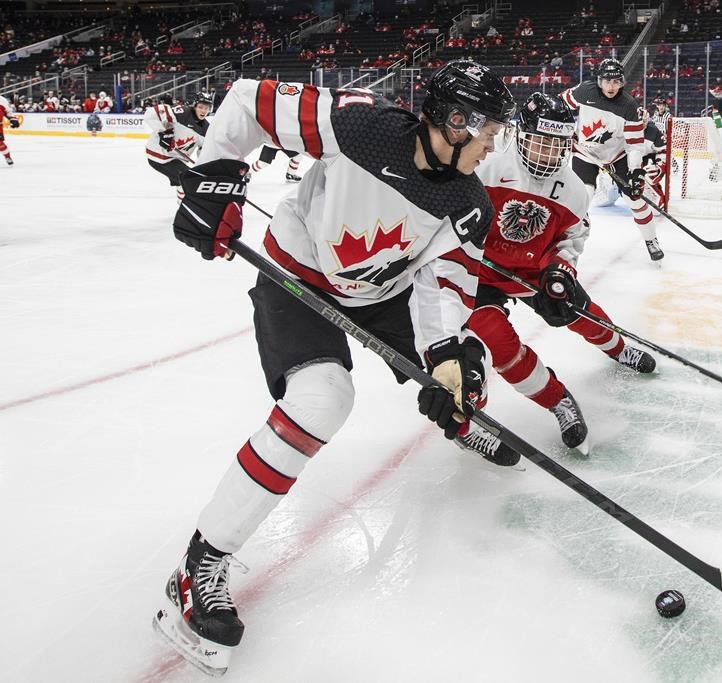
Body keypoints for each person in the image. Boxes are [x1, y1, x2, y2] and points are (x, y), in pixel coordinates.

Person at [154, 61, 516, 676]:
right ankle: (201, 564)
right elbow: (246, 102)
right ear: (455, 123)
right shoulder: (358, 126)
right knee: (323, 400)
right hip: (298, 277)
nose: (492, 146)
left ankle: (455, 419)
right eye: (486, 131)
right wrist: (213, 182)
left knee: (461, 373)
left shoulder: (469, 201)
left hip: (382, 294)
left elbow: (439, 290)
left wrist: (447, 362)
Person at [471, 92, 657, 452]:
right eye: (540, 142)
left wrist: (560, 272)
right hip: (480, 275)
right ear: (520, 135)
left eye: (556, 145)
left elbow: (572, 238)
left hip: (533, 269)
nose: (547, 153)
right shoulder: (486, 167)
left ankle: (619, 347)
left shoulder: (572, 188)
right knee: (501, 344)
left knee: (580, 311)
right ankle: (558, 401)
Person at [560, 58, 663, 261]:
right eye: (607, 81)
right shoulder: (584, 91)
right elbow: (561, 103)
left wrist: (635, 171)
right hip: (585, 153)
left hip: (617, 156)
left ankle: (651, 239)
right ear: (599, 81)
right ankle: (563, 243)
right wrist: (565, 129)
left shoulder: (628, 105)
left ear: (622, 82)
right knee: (582, 197)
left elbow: (634, 144)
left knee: (634, 199)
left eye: (616, 81)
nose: (611, 86)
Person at [143, 92, 213, 199]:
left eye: (207, 108)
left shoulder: (206, 129)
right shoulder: (182, 113)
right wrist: (164, 132)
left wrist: (207, 166)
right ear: (194, 106)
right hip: (159, 155)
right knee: (189, 180)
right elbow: (151, 113)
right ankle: (186, 206)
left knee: (190, 180)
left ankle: (184, 203)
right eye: (201, 107)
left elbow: (203, 151)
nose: (204, 111)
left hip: (176, 160)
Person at [0, 94, 19, 165]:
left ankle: (7, 157)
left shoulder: (2, 100)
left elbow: (8, 111)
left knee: (0, 144)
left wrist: (13, 119)